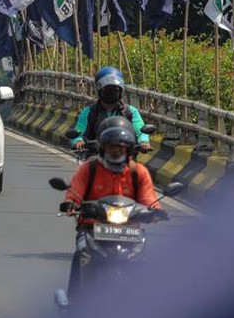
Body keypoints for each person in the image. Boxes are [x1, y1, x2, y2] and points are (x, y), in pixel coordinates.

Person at [61, 124, 165, 298]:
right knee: (80, 254)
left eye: (121, 148)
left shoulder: (138, 172)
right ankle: (74, 302)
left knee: (147, 262)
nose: (116, 152)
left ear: (129, 150)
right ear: (103, 148)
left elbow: (149, 197)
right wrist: (71, 203)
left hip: (130, 231)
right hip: (93, 229)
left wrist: (156, 210)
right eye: (111, 148)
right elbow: (75, 191)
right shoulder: (90, 168)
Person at [71, 67, 151, 152]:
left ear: (120, 91)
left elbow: (140, 130)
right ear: (100, 90)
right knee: (85, 166)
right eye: (107, 89)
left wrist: (144, 142)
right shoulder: (89, 112)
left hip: (124, 156)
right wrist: (78, 141)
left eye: (115, 89)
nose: (111, 92)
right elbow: (79, 130)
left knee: (138, 166)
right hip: (96, 157)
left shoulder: (130, 111)